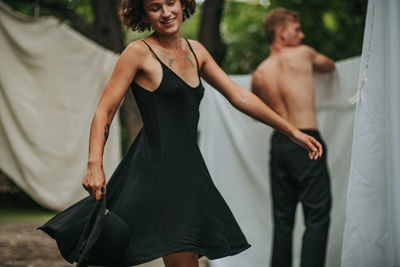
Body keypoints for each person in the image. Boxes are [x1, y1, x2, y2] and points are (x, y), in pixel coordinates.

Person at [39, 1, 323, 267]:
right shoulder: (138, 52)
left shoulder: (196, 51)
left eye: (171, 2)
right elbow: (105, 110)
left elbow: (239, 96)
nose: (165, 12)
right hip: (159, 174)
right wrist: (94, 164)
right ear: (144, 13)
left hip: (190, 173)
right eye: (154, 7)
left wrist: (291, 130)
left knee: (189, 259)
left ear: (183, 3)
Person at [251, 7, 335, 267]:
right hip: (307, 140)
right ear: (281, 32)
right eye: (296, 30)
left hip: (279, 144)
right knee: (317, 215)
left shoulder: (260, 73)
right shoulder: (303, 54)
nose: (302, 34)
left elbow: (257, 111)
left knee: (283, 220)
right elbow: (329, 66)